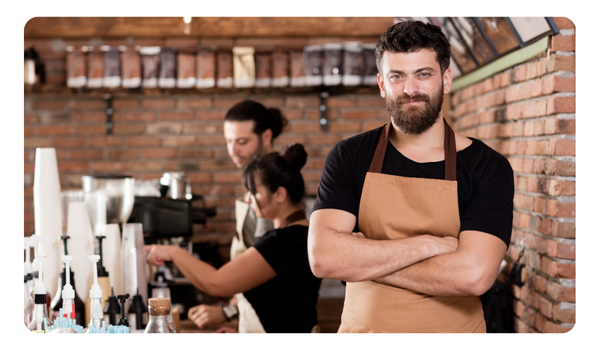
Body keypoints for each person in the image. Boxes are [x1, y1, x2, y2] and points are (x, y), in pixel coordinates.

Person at [307, 20, 514, 333]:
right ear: (381, 84)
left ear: (445, 80)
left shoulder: (488, 167)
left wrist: (364, 261)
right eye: (397, 76)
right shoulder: (350, 155)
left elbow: (474, 276)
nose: (410, 89)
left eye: (423, 74)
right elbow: (323, 258)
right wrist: (428, 245)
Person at [145, 144, 322, 333]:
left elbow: (215, 283)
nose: (248, 200)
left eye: (254, 192)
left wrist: (173, 252)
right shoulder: (302, 234)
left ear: (279, 194)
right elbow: (286, 309)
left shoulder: (283, 242)